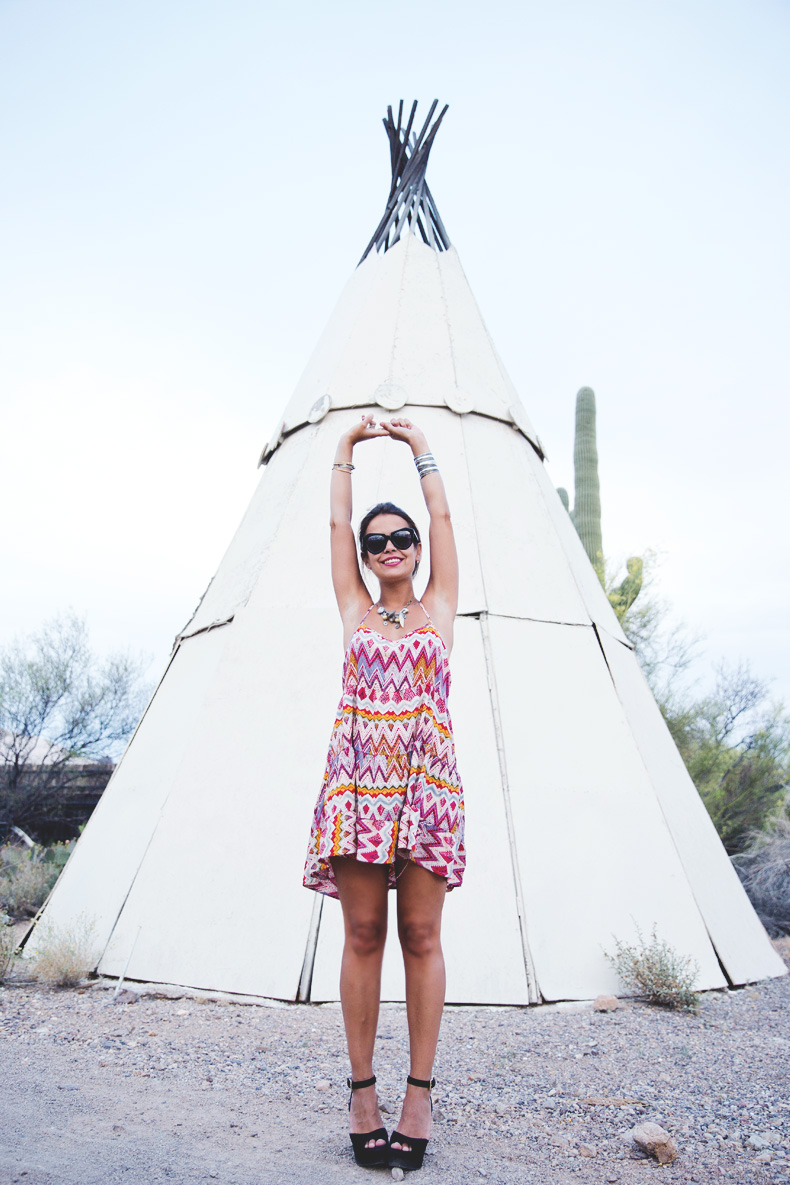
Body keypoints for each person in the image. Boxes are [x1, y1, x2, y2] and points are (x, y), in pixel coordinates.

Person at [303, 413, 466, 1171]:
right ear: (366, 557)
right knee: (363, 935)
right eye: (378, 542)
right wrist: (345, 450)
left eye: (401, 539)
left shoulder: (437, 608)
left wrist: (418, 447)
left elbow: (440, 513)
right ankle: (361, 1092)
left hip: (427, 789)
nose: (391, 547)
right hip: (360, 786)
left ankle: (419, 1095)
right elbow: (336, 519)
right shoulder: (354, 608)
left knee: (422, 938)